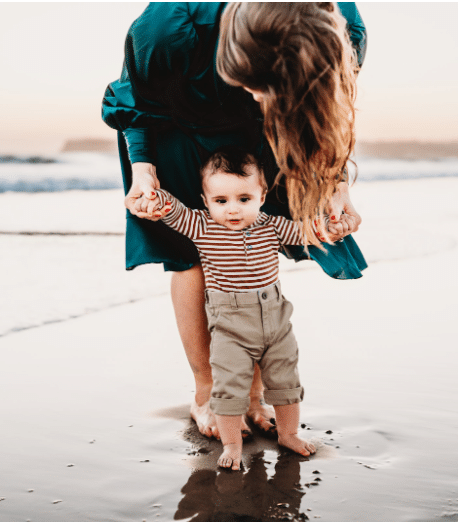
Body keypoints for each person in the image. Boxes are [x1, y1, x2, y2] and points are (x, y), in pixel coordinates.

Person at [102, 3, 367, 439]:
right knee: (189, 252)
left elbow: (328, 107)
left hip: (278, 124)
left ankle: (250, 394)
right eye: (252, 84)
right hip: (177, 119)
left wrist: (336, 186)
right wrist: (144, 170)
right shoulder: (169, 28)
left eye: (268, 87)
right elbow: (138, 98)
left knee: (256, 234)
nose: (258, 96)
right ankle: (208, 390)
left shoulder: (342, 29)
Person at [146, 148, 318, 469]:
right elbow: (176, 212)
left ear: (262, 196)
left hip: (276, 319)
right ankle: (232, 446)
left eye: (244, 199)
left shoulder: (272, 225)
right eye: (221, 201)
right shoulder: (203, 226)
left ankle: (289, 434)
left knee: (285, 382)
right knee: (227, 389)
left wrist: (329, 227)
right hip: (229, 325)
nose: (233, 210)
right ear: (206, 200)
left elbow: (304, 233)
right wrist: (157, 200)